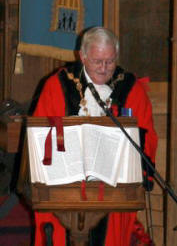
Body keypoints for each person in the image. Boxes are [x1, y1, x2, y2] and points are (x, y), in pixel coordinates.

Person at [33, 27, 158, 246]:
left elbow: (145, 135)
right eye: (97, 61)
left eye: (109, 62)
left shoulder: (130, 88)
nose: (103, 69)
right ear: (82, 56)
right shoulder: (58, 86)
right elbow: (42, 135)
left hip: (112, 192)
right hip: (66, 189)